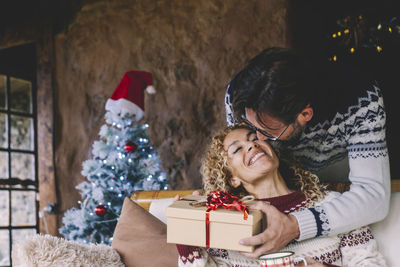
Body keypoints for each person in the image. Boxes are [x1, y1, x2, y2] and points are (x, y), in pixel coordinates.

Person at [224, 47, 391, 257]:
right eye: (251, 129)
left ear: (305, 114)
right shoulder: (238, 95)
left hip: (339, 167)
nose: (258, 140)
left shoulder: (361, 100)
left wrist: (295, 226)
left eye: (269, 132)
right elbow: (239, 171)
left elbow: (373, 196)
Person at [176, 124, 387, 266]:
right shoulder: (228, 222)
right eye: (237, 149)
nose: (252, 145)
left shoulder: (334, 206)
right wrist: (186, 236)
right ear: (232, 179)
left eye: (254, 138)